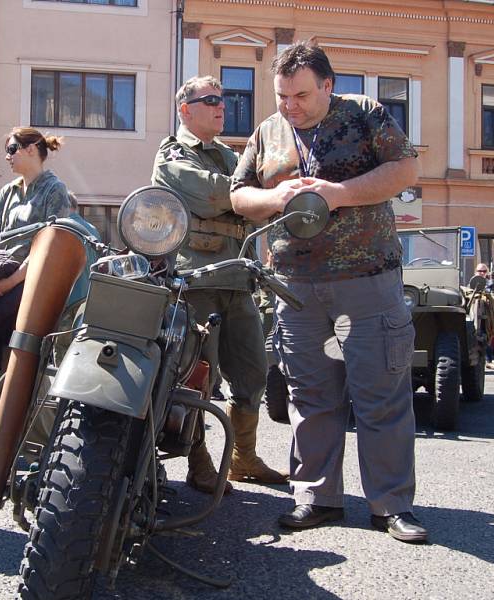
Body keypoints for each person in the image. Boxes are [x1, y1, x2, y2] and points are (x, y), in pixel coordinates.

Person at [231, 41, 428, 542]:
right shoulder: (268, 132)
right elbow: (238, 194)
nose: (289, 105)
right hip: (296, 286)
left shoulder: (365, 113)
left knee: (380, 395)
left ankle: (390, 506)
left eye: (300, 95)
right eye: (281, 96)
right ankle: (316, 498)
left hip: (368, 280)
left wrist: (338, 193)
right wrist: (274, 197)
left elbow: (404, 171)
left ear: (327, 85)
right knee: (309, 395)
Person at [151, 75, 288, 495]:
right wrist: (243, 203)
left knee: (251, 373)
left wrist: (246, 203)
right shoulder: (171, 155)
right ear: (185, 110)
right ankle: (200, 462)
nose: (220, 105)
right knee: (199, 380)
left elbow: (254, 204)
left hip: (237, 278)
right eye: (209, 99)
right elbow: (216, 196)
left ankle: (242, 458)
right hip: (195, 282)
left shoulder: (229, 156)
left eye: (222, 99)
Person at [0, 127, 72, 398]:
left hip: (32, 288)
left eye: (11, 150)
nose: (7, 157)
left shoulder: (54, 190)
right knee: (1, 363)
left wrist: (12, 281)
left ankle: (24, 434)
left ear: (31, 149)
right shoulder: (8, 191)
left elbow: (51, 246)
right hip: (0, 285)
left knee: (26, 361)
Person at [474, 263, 494, 368]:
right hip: (476, 315)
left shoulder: (491, 284)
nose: (482, 273)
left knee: (487, 337)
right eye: (480, 271)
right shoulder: (472, 283)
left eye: (484, 271)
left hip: (487, 315)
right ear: (476, 271)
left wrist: (491, 288)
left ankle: (489, 361)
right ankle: (479, 361)